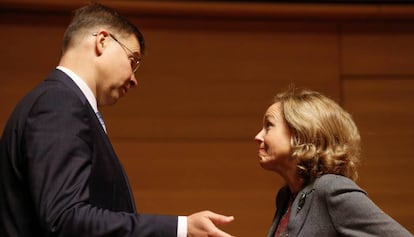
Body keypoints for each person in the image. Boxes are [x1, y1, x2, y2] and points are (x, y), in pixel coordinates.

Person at [0, 3, 234, 237]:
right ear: (102, 41)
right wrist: (181, 229)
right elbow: (64, 218)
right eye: (133, 61)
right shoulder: (58, 103)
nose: (134, 80)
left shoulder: (59, 101)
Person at [254, 87, 413, 237]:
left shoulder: (330, 188)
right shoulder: (286, 196)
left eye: (269, 126)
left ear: (301, 134)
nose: (258, 136)